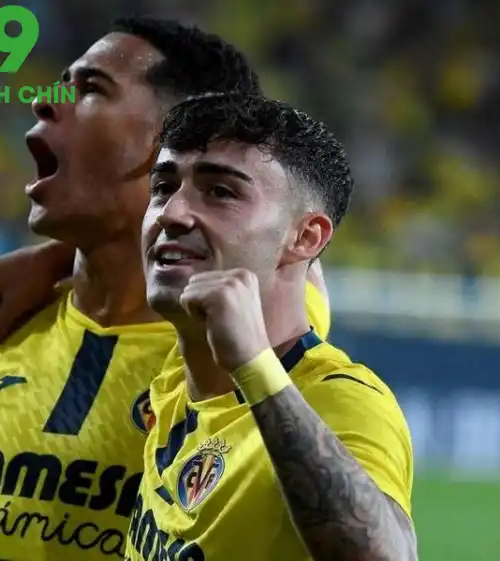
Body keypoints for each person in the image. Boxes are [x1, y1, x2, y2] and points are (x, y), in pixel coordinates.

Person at [0, 17, 330, 561]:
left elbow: (288, 250)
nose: (44, 101)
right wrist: (60, 257)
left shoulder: (240, 346)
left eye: (91, 88)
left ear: (177, 138)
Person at [124, 92, 416, 561]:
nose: (171, 214)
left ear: (304, 237)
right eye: (163, 187)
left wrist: (253, 365)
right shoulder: (183, 368)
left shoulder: (342, 400)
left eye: (221, 192)